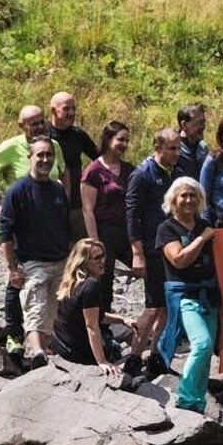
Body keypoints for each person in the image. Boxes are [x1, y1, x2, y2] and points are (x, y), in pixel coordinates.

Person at [0, 105, 67, 361]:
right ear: (21, 125)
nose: (38, 126)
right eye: (32, 123)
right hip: (22, 225)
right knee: (19, 284)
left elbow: (64, 175)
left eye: (40, 122)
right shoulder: (12, 150)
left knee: (50, 298)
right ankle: (17, 335)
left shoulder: (53, 148)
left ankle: (42, 343)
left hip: (51, 224)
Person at [0, 137, 72, 366]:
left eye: (49, 155)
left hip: (59, 261)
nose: (45, 159)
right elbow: (5, 234)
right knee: (35, 309)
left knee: (52, 312)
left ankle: (43, 349)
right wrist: (12, 268)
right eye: (40, 155)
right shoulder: (17, 191)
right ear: (30, 157)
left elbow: (65, 226)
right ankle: (37, 352)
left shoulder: (58, 189)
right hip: (32, 262)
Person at [155, 178, 219, 414]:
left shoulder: (205, 224)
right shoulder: (166, 229)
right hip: (185, 295)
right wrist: (203, 239)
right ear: (173, 199)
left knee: (208, 348)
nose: (189, 200)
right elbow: (179, 260)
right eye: (183, 195)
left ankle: (197, 402)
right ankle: (184, 396)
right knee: (201, 343)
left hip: (209, 295)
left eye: (193, 195)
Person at [126, 128, 181, 377]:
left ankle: (156, 352)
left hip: (173, 248)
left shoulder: (176, 174)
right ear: (157, 148)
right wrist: (137, 252)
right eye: (172, 148)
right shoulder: (142, 174)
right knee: (152, 305)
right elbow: (132, 215)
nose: (177, 153)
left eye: (179, 148)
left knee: (168, 306)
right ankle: (134, 355)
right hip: (151, 248)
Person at [52, 238, 136, 374]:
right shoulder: (91, 286)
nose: (102, 261)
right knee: (124, 342)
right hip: (76, 351)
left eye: (103, 256)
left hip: (61, 344)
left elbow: (97, 316)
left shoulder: (73, 282)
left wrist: (122, 319)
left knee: (123, 329)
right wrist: (102, 362)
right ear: (83, 261)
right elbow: (91, 326)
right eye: (97, 258)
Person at [81, 120, 134, 313]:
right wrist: (95, 243)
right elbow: (88, 209)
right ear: (108, 138)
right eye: (120, 139)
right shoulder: (93, 171)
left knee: (148, 270)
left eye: (127, 141)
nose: (124, 144)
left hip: (126, 230)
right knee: (104, 280)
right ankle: (103, 328)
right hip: (104, 231)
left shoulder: (129, 170)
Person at [48, 91, 98, 239]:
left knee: (79, 247)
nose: (71, 113)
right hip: (48, 202)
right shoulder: (43, 135)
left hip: (76, 202)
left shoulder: (78, 135)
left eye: (73, 109)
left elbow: (100, 159)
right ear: (53, 110)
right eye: (66, 109)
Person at [175, 103, 208, 180]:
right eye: (198, 123)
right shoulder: (173, 149)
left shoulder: (203, 148)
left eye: (203, 122)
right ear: (184, 125)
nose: (202, 127)